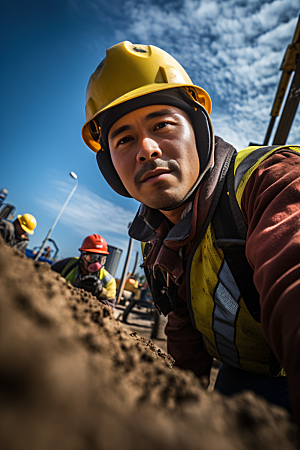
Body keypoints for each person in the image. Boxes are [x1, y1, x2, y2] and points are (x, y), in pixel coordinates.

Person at [81, 41, 300, 428]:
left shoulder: (269, 181)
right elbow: (184, 338)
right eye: (124, 139)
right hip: (241, 376)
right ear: (111, 166)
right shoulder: (158, 247)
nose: (146, 149)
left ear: (198, 131)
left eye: (162, 124)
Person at [51, 234, 116, 308]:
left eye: (101, 259)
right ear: (82, 255)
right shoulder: (67, 265)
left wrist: (100, 293)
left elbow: (109, 308)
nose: (96, 263)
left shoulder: (109, 281)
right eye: (92, 257)